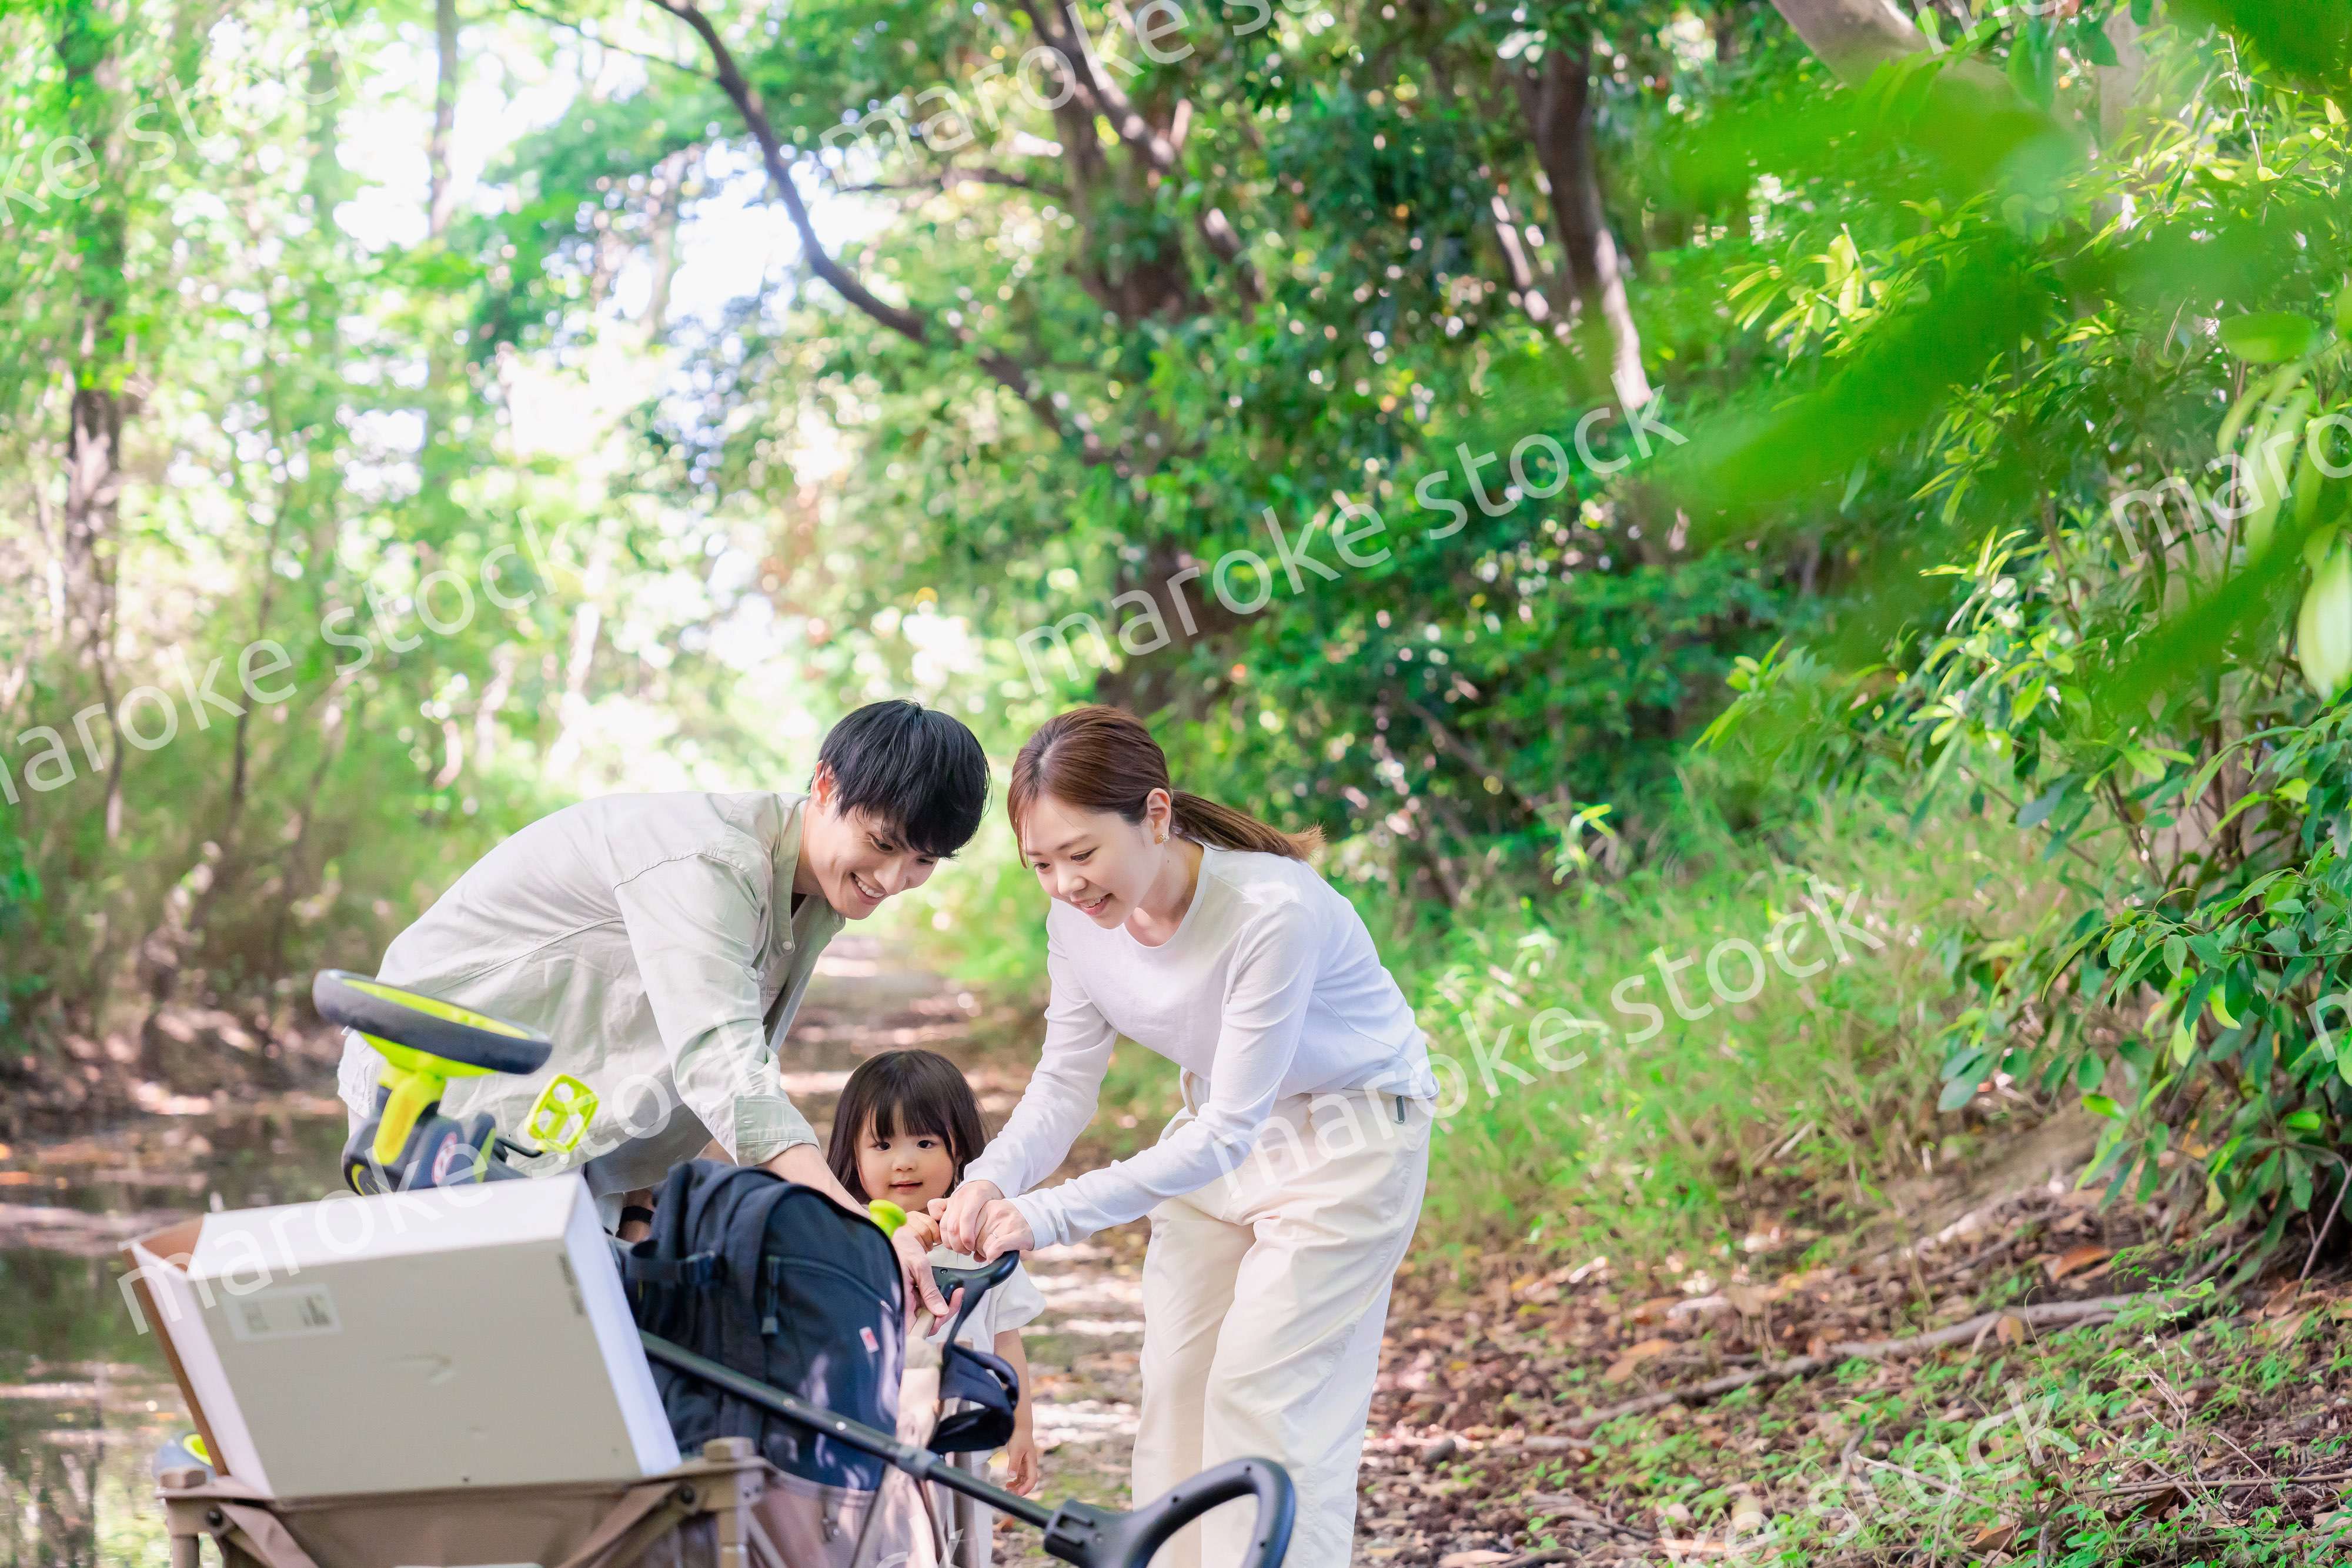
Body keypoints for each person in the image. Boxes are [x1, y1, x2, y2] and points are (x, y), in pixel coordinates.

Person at [936, 706, 1436, 1568]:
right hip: (1215, 1141)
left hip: (1348, 1139)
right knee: (1175, 1389)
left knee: (1262, 1400)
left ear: (1156, 815)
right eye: (1040, 863)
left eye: (1081, 853)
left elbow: (1231, 1128)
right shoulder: (1076, 924)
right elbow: (1064, 1084)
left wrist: (1046, 1215)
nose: (1064, 883)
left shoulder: (1270, 909)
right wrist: (988, 1179)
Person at [334, 698, 987, 1313]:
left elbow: (660, 1044)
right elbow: (723, 1068)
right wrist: (858, 1228)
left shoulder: (813, 892)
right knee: (474, 1335)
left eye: (923, 860)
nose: (894, 879)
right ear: (824, 785)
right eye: (882, 844)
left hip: (557, 1126)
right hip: (448, 1082)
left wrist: (640, 1206)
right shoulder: (710, 861)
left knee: (577, 1344)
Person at [827, 1049, 1044, 1568]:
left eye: (925, 1143)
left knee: (964, 1537)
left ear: (960, 1148)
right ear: (853, 1153)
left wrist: (1021, 1428)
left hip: (964, 1429)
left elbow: (1007, 1339)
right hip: (878, 1428)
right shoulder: (847, 1237)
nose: (904, 1161)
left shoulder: (982, 1244)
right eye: (882, 1145)